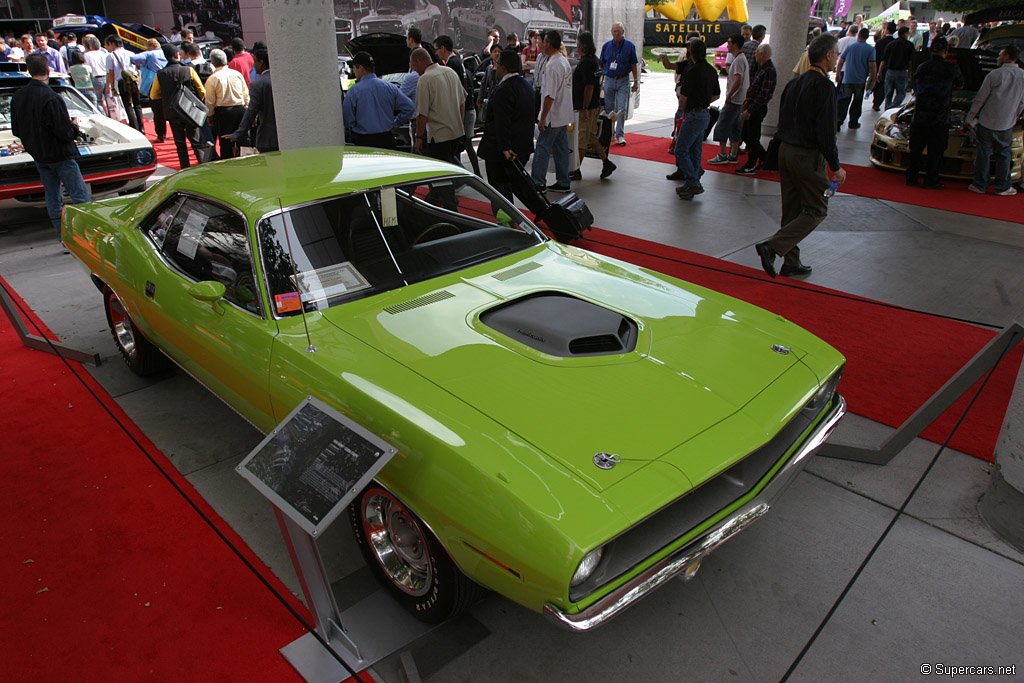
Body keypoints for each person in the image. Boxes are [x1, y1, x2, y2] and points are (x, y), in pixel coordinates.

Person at [755, 33, 846, 279]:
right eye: (836, 53)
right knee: (817, 209)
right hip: (807, 155)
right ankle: (772, 246)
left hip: (785, 151)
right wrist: (835, 166)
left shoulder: (794, 83)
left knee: (792, 210)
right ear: (828, 56)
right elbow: (826, 131)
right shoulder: (825, 86)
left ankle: (791, 262)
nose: (837, 57)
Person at [10, 53, 91, 241]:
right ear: (48, 70)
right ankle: (85, 236)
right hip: (60, 154)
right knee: (79, 197)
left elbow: (17, 129)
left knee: (52, 196)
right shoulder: (51, 97)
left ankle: (63, 236)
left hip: (39, 154)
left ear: (28, 71)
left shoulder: (19, 97)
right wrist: (74, 128)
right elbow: (63, 131)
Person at [477, 49, 545, 215]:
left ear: (504, 68)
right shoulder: (526, 86)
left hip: (502, 150)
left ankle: (506, 221)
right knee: (520, 184)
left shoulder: (504, 89)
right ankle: (543, 211)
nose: (496, 67)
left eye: (498, 64)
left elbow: (502, 121)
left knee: (500, 188)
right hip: (521, 146)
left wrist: (504, 146)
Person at [905, 37, 963, 190]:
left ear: (931, 50)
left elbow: (914, 86)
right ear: (946, 51)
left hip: (920, 115)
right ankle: (931, 180)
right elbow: (960, 84)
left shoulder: (922, 67)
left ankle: (911, 177)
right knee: (935, 151)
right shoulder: (951, 68)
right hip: (940, 117)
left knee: (916, 150)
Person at [966, 46, 1024, 196]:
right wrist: (1015, 116)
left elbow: (980, 98)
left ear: (1007, 56)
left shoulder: (994, 74)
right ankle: (1003, 186)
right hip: (1007, 123)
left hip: (987, 121)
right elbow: (1022, 103)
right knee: (1004, 155)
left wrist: (970, 117)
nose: (998, 57)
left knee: (983, 154)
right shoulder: (1022, 75)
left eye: (1000, 55)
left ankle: (979, 185)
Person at [667, 38, 719, 200]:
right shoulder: (711, 71)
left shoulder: (692, 72)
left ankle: (693, 180)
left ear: (691, 53)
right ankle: (692, 181)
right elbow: (716, 94)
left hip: (692, 114)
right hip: (704, 114)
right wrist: (703, 102)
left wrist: (684, 111)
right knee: (695, 150)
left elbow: (683, 98)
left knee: (681, 149)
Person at [149, 44, 207, 168]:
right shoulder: (188, 70)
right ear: (177, 55)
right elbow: (202, 90)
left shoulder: (160, 74)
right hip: (190, 111)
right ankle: (203, 165)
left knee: (180, 143)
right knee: (196, 142)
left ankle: (184, 168)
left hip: (173, 112)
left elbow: (154, 95)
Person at [342, 51, 415, 149]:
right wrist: (396, 123)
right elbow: (409, 107)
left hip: (365, 142)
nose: (353, 71)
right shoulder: (390, 87)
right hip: (387, 140)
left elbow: (347, 119)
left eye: (354, 67)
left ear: (361, 68)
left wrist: (354, 128)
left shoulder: (353, 92)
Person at [569, 31, 615, 182]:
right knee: (590, 136)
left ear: (582, 45)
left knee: (582, 137)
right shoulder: (595, 61)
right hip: (594, 104)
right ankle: (606, 162)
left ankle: (576, 169)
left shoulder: (587, 63)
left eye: (578, 43)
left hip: (587, 107)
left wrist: (585, 108)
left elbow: (589, 86)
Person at [530, 30, 573, 192]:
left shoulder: (553, 65)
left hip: (553, 116)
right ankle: (563, 180)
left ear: (548, 44)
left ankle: (538, 181)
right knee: (560, 149)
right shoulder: (563, 61)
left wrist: (543, 118)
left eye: (543, 41)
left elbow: (549, 95)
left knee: (542, 147)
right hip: (562, 114)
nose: (540, 44)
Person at [433, 34, 480, 175]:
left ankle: (471, 175)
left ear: (442, 48)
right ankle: (468, 174)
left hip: (463, 111)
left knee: (463, 144)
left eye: (436, 49)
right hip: (466, 110)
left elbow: (456, 92)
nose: (435, 53)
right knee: (461, 144)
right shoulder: (457, 62)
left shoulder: (452, 64)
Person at [410, 46, 465, 163]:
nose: (414, 71)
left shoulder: (425, 79)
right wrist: (460, 124)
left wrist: (419, 138)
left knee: (442, 169)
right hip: (456, 132)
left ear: (419, 61)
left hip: (439, 135)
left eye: (413, 66)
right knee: (452, 164)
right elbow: (462, 103)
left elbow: (422, 113)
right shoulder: (450, 72)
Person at [735, 43, 776, 175]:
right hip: (752, 105)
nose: (755, 55)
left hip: (757, 109)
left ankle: (751, 164)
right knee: (746, 134)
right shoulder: (762, 67)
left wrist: (750, 110)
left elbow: (764, 94)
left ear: (763, 54)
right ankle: (764, 158)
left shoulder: (769, 70)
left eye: (757, 52)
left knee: (752, 137)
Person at [709, 34, 748, 165]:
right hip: (739, 100)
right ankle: (733, 153)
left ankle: (722, 154)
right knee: (735, 126)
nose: (728, 45)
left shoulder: (738, 61)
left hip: (734, 100)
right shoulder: (741, 59)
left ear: (736, 44)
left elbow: (738, 80)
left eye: (730, 43)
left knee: (722, 125)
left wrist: (729, 95)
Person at [229, 49, 276, 153]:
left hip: (268, 138)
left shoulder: (258, 84)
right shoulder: (280, 80)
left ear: (261, 62)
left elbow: (251, 111)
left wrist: (239, 133)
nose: (253, 66)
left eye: (255, 62)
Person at [600, 22, 639, 146]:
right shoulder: (606, 46)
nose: (616, 34)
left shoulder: (629, 46)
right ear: (612, 32)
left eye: (619, 31)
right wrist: (601, 81)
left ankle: (620, 135)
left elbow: (634, 64)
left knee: (621, 108)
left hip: (623, 79)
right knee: (608, 108)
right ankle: (609, 133)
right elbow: (603, 64)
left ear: (623, 32)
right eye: (615, 31)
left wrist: (636, 81)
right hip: (610, 79)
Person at [204, 48, 248, 159]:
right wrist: (247, 109)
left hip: (224, 112)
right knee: (243, 139)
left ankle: (228, 164)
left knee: (225, 142)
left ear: (212, 63)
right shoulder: (237, 74)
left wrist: (210, 115)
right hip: (240, 109)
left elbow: (210, 101)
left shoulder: (212, 79)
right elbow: (245, 94)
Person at [836, 28, 876, 130]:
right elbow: (872, 66)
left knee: (843, 101)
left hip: (847, 78)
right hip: (860, 80)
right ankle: (853, 122)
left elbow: (840, 61)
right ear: (867, 37)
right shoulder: (870, 49)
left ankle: (838, 121)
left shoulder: (850, 47)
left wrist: (838, 73)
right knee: (857, 102)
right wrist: (873, 78)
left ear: (858, 35)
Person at [130, 39, 168, 141]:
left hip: (154, 84)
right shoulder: (165, 52)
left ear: (150, 46)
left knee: (157, 111)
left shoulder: (150, 54)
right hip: (167, 82)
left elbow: (133, 58)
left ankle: (161, 135)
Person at [105, 36, 144, 133]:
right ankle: (141, 126)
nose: (106, 47)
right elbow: (137, 69)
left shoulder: (111, 56)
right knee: (137, 105)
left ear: (112, 44)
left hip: (123, 82)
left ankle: (134, 127)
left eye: (107, 45)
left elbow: (111, 73)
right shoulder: (130, 53)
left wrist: (112, 87)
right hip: (133, 80)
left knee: (128, 105)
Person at [880, 26, 915, 110]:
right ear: (906, 34)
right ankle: (892, 108)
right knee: (901, 93)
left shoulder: (891, 44)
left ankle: (887, 108)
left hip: (890, 71)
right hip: (902, 71)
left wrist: (879, 72)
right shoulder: (909, 45)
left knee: (888, 92)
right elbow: (911, 60)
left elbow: (884, 59)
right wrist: (911, 72)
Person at [476, 43, 504, 123]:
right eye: (495, 51)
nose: (497, 53)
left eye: (499, 52)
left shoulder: (504, 69)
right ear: (491, 54)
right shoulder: (489, 68)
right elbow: (483, 85)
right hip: (490, 100)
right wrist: (480, 100)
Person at [872, 22, 895, 111]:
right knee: (884, 86)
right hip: (888, 66)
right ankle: (877, 102)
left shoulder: (880, 42)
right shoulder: (893, 42)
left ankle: (875, 100)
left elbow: (875, 54)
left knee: (877, 84)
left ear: (887, 30)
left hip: (878, 64)